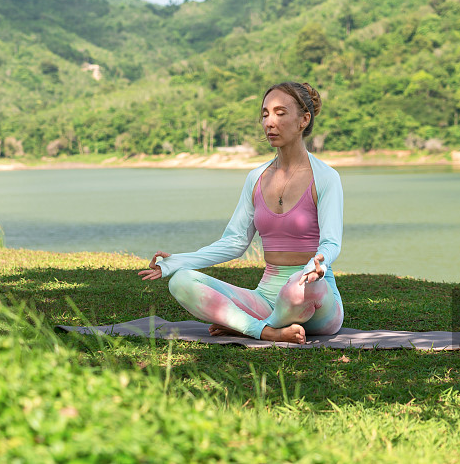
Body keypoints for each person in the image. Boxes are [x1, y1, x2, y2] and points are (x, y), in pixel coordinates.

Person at [139, 82, 344, 345]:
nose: (269, 122)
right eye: (265, 114)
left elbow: (331, 242)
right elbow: (234, 242)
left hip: (314, 298)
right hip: (266, 298)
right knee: (180, 282)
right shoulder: (256, 178)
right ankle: (267, 331)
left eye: (280, 113)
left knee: (295, 290)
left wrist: (317, 266)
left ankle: (247, 326)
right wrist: (174, 262)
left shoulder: (326, 178)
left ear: (304, 120)